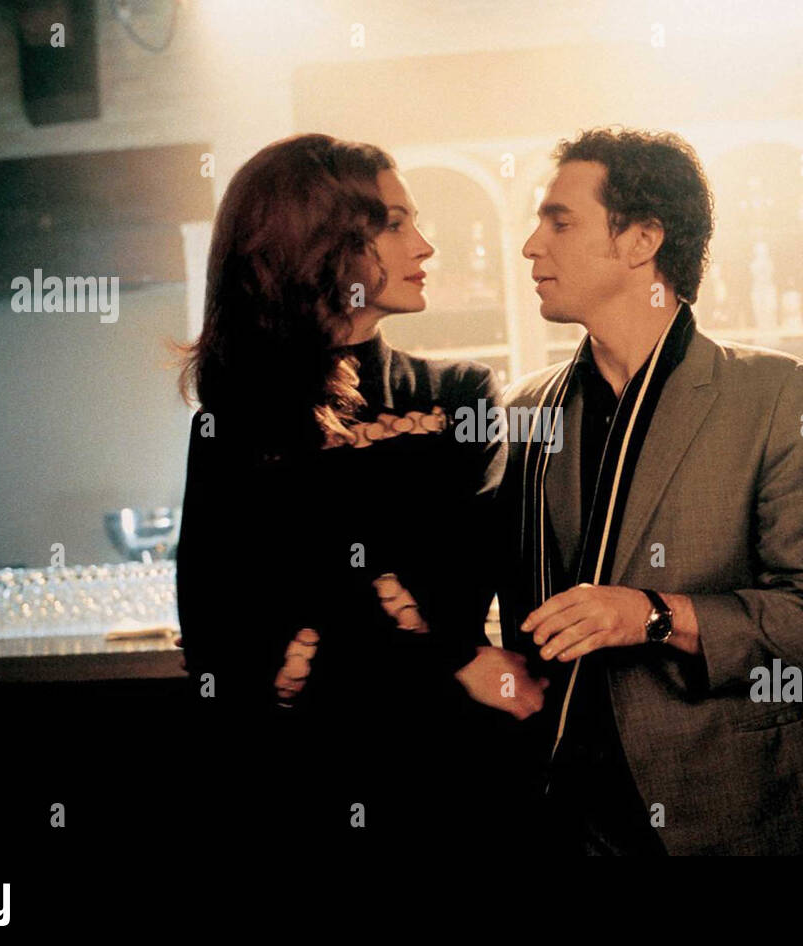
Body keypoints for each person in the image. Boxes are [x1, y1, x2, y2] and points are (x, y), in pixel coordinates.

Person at [492, 127, 803, 855]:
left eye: (559, 222)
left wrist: (653, 616)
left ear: (642, 240)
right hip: (559, 826)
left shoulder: (772, 395)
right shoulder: (524, 411)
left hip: (730, 825)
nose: (531, 246)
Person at [172, 133, 546, 851]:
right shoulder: (229, 423)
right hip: (293, 789)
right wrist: (449, 653)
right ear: (321, 245)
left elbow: (458, 581)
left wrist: (313, 621)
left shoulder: (461, 392)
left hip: (450, 779)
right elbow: (222, 644)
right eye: (396, 224)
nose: (425, 246)